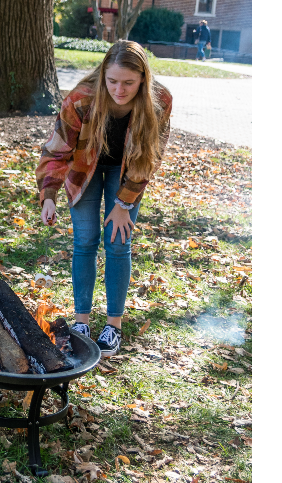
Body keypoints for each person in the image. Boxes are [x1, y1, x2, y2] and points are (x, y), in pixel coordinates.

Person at [35, 40, 172, 357]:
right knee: (85, 240)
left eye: (128, 82)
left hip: (127, 171)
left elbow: (149, 158)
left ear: (142, 80)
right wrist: (49, 196)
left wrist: (124, 204)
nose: (119, 90)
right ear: (103, 75)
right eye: (112, 81)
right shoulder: (81, 99)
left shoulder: (159, 101)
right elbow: (56, 151)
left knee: (118, 242)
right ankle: (81, 322)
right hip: (85, 168)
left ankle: (113, 325)